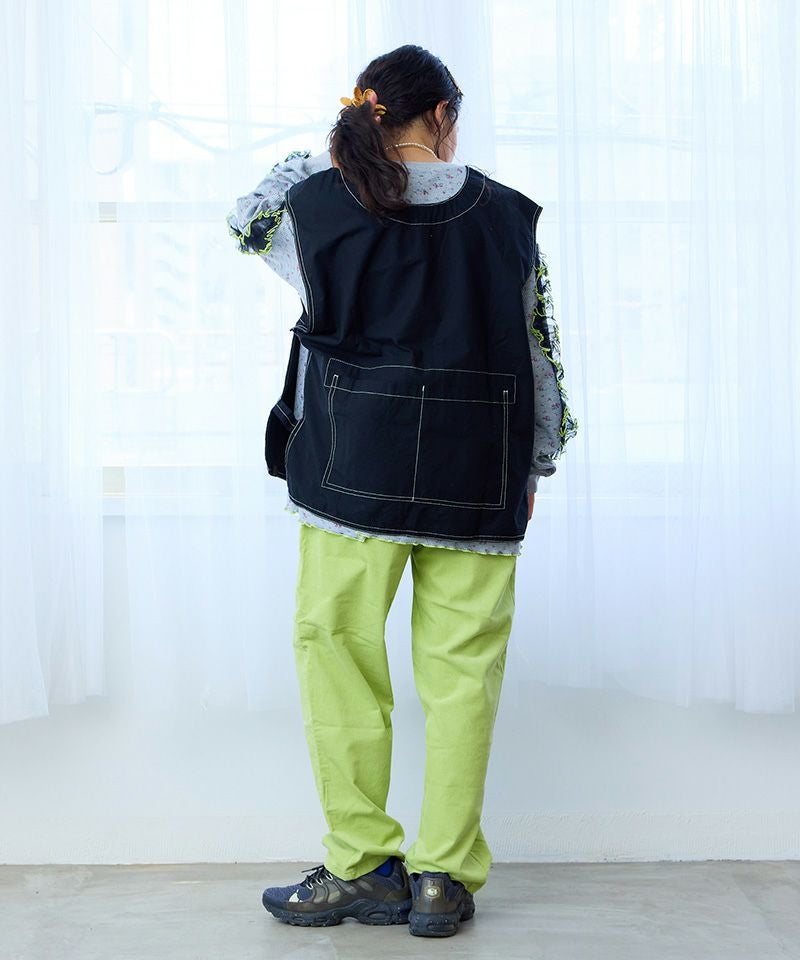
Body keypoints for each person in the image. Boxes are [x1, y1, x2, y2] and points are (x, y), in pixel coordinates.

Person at [226, 44, 577, 939]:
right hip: (478, 469)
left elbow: (246, 218)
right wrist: (536, 463)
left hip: (353, 467)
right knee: (462, 679)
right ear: (445, 115)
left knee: (338, 659)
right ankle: (441, 880)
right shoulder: (509, 216)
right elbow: (538, 347)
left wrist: (325, 156)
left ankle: (361, 867)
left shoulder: (317, 208)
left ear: (366, 114)